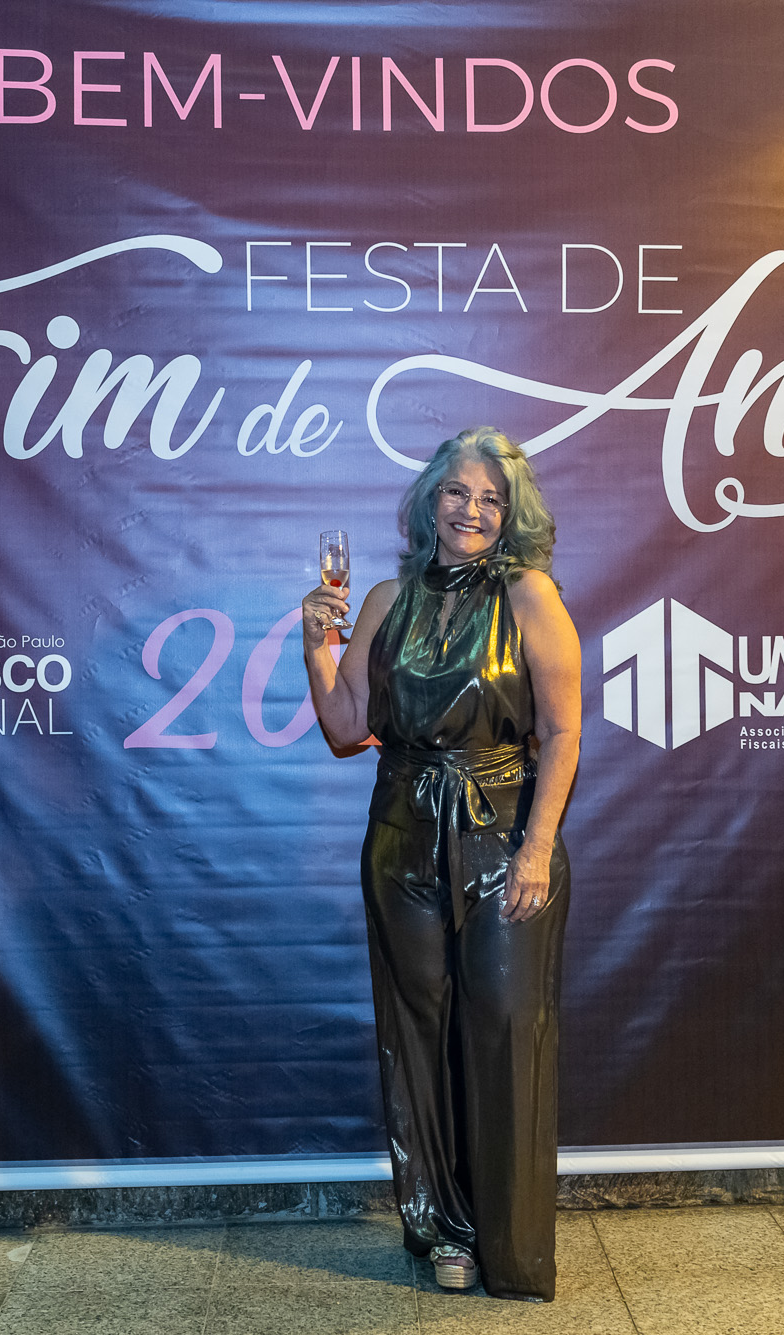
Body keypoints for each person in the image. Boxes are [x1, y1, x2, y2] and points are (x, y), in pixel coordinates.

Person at [299, 426, 581, 1303]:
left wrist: (537, 847)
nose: (472, 509)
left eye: (492, 498)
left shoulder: (530, 595)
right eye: (458, 491)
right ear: (430, 499)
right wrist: (314, 645)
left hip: (503, 836)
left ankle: (511, 1242)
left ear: (511, 514)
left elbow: (563, 732)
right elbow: (347, 728)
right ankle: (445, 1228)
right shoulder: (387, 598)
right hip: (402, 835)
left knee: (504, 1031)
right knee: (418, 1033)